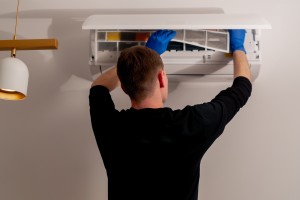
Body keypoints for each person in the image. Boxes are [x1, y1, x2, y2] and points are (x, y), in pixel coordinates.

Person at [89, 29, 252, 200]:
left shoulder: (111, 127)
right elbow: (242, 89)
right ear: (161, 78)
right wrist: (238, 48)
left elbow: (99, 85)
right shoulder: (194, 123)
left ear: (123, 87)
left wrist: (145, 55)